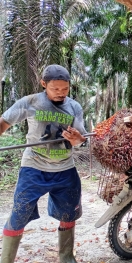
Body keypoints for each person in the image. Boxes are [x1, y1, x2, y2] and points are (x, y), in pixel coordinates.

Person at [0, 64, 87, 263]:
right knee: (19, 214)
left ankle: (66, 258)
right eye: (55, 89)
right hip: (33, 168)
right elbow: (4, 122)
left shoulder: (74, 107)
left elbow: (81, 139)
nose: (60, 93)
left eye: (65, 89)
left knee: (68, 214)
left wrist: (76, 139)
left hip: (65, 170)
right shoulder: (30, 102)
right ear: (43, 84)